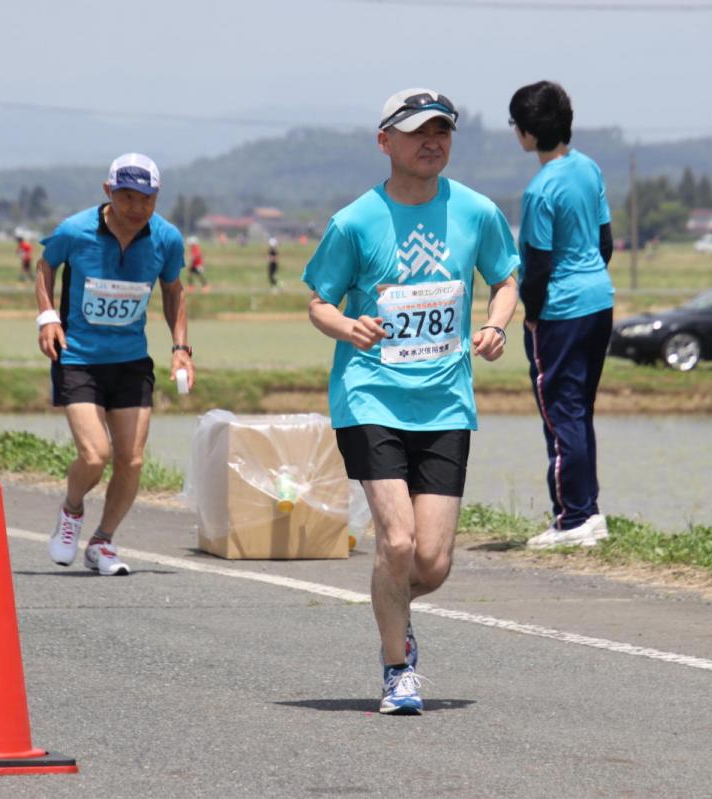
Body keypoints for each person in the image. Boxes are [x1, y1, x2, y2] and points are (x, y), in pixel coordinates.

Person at [302, 88, 518, 715]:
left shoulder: (476, 212)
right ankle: (398, 667)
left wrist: (497, 325)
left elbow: (506, 279)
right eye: (420, 131)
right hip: (369, 395)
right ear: (385, 141)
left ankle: (391, 609)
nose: (433, 142)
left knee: (433, 561)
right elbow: (319, 301)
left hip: (446, 402)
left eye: (443, 132)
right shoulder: (355, 221)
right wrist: (348, 327)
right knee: (396, 542)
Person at [35, 153, 194, 576]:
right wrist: (47, 317)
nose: (137, 207)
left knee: (132, 459)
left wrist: (181, 347)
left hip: (130, 361)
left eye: (147, 198)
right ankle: (71, 512)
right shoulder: (75, 230)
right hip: (79, 358)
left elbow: (174, 290)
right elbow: (44, 265)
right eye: (127, 197)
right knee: (94, 454)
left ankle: (102, 542)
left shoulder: (167, 239)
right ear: (108, 192)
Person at [506, 80, 615, 553]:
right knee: (579, 411)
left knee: (559, 413)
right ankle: (588, 513)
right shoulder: (588, 168)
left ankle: (572, 517)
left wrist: (533, 315)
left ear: (527, 133)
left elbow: (537, 265)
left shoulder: (539, 190)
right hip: (599, 301)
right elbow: (605, 240)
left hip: (561, 312)